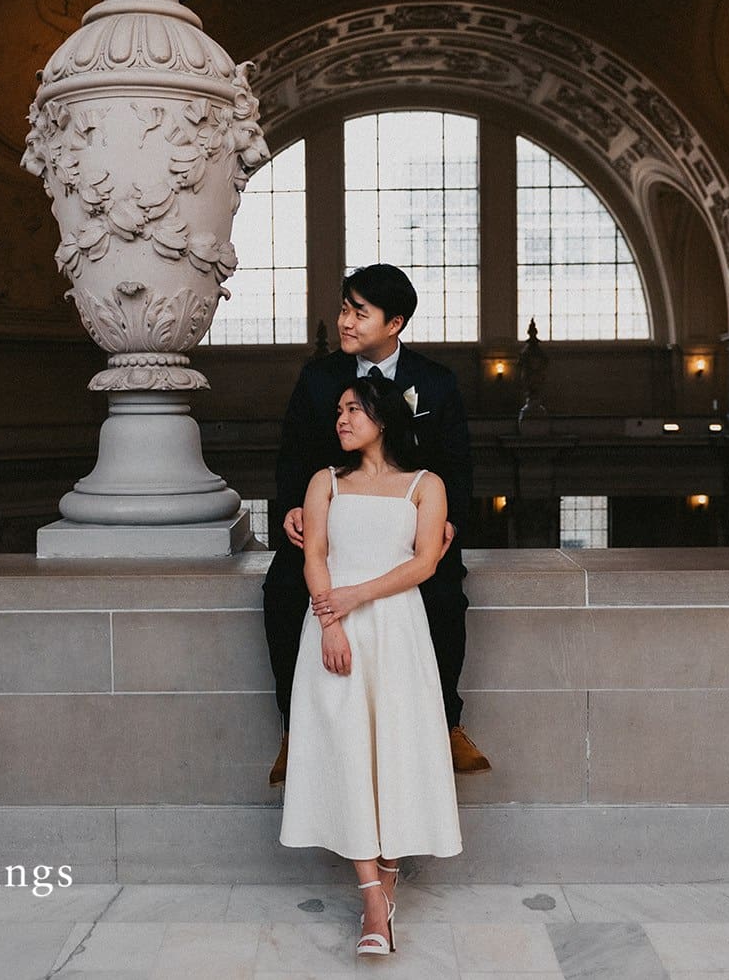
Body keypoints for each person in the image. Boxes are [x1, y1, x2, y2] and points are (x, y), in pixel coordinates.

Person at [262, 263, 490, 787]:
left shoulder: (435, 382)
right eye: (344, 309)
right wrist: (293, 508)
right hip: (334, 522)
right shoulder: (318, 379)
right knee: (281, 589)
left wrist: (447, 519)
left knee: (447, 594)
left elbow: (458, 463)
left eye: (359, 313)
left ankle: (448, 724)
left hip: (406, 523)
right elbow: (292, 453)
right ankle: (293, 732)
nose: (345, 322)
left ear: (395, 323)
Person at [279, 375, 462, 956]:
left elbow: (425, 563)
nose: (342, 419)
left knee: (394, 749)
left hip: (398, 631)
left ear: (384, 418)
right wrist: (332, 621)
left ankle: (389, 872)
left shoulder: (426, 487)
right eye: (339, 410)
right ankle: (373, 904)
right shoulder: (324, 482)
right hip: (334, 630)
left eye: (353, 409)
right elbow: (315, 557)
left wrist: (359, 597)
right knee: (346, 749)